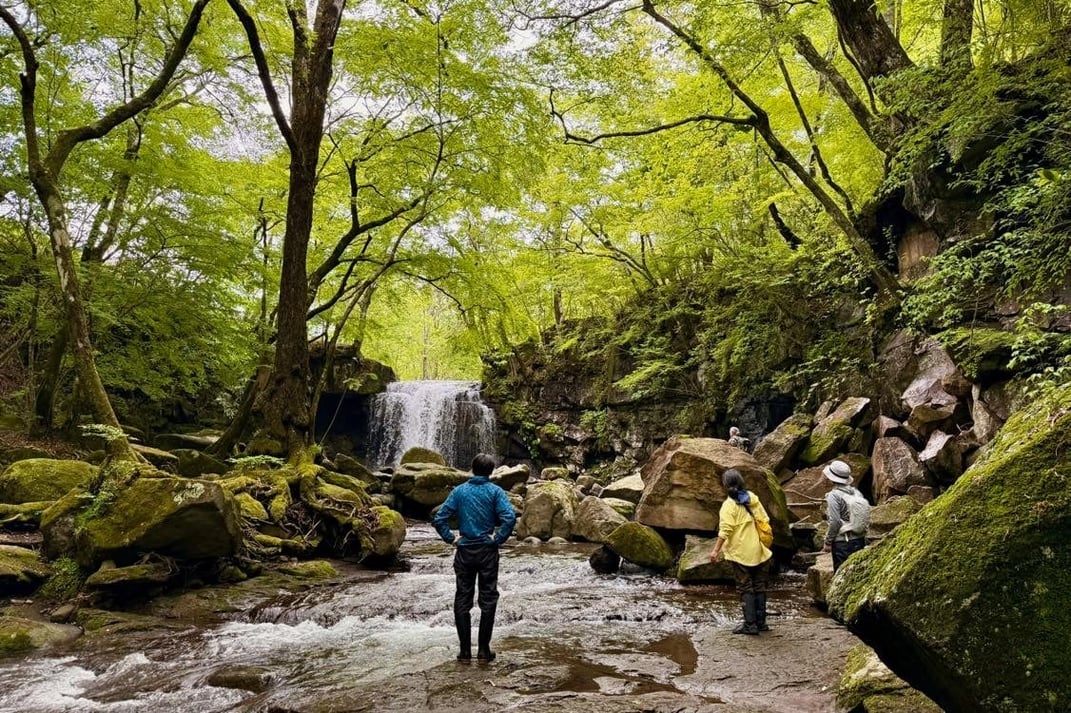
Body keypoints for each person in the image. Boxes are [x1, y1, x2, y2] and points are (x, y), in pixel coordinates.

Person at [433, 453, 517, 662]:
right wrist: (498, 538)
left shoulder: (459, 491)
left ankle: (464, 652)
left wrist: (451, 538)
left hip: (464, 551)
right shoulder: (495, 491)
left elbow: (439, 518)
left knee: (463, 597)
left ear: (472, 469)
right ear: (491, 471)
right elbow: (509, 517)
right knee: (488, 598)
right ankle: (483, 650)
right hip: (487, 551)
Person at [709, 468, 774, 635]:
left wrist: (715, 551)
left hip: (740, 552)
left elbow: (725, 531)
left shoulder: (728, 506)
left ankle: (750, 625)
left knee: (745, 587)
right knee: (759, 585)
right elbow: (765, 519)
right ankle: (761, 623)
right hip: (759, 548)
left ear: (725, 486)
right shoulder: (752, 498)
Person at [821, 460, 871, 572]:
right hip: (859, 540)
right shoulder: (856, 492)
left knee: (841, 575)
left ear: (832, 479)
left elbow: (835, 522)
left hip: (843, 544)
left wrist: (828, 542)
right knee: (857, 574)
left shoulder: (834, 496)